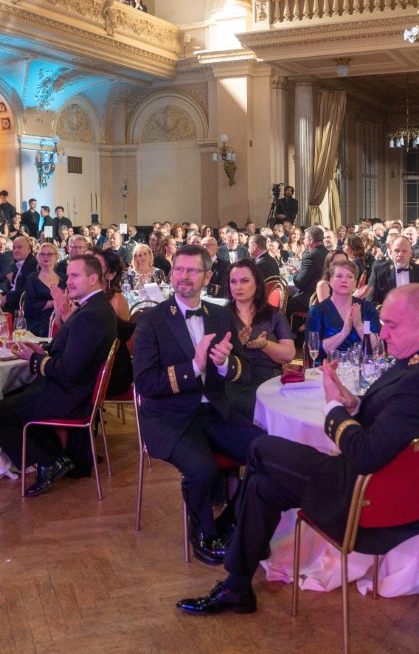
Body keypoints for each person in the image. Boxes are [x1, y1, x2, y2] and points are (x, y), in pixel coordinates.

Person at [176, 284, 419, 616]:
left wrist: (333, 408)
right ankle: (236, 586)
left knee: (260, 448)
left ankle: (235, 535)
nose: (383, 333)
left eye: (391, 325)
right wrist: (355, 403)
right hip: (370, 483)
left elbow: (365, 454)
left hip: (370, 500)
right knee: (261, 485)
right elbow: (396, 420)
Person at [133, 244, 262, 564]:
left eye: (192, 270)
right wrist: (194, 367)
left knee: (265, 451)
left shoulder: (220, 316)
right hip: (168, 418)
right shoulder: (152, 320)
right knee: (203, 469)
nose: (184, 276)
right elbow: (145, 383)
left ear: (206, 276)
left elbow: (246, 371)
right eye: (179, 269)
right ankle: (204, 532)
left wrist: (224, 364)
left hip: (214, 412)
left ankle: (230, 522)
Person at [0, 254, 119, 496]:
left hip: (70, 395)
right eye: (67, 275)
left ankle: (49, 461)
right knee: (10, 395)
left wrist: (34, 360)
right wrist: (43, 350)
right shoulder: (95, 306)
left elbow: (69, 370)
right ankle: (55, 458)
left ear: (93, 278)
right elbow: (75, 351)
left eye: (74, 276)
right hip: (73, 388)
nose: (67, 281)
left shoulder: (91, 315)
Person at [224, 260, 295, 421]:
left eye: (244, 281)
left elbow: (289, 354)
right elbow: (213, 360)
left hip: (269, 379)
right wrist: (237, 345)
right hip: (235, 379)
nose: (238, 287)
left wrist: (264, 345)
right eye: (233, 281)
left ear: (257, 284)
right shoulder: (221, 315)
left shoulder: (273, 314)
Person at [306, 259, 379, 359]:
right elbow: (314, 349)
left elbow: (377, 346)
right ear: (330, 281)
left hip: (362, 366)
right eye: (339, 276)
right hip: (328, 366)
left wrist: (359, 326)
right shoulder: (317, 311)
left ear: (355, 283)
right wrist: (343, 333)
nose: (344, 280)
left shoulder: (367, 308)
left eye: (349, 277)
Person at [370, 236, 419, 304]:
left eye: (404, 251)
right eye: (396, 251)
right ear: (391, 252)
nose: (400, 254)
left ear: (411, 253)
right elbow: (371, 300)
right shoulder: (379, 271)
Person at [288, 226, 327, 316]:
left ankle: (295, 325)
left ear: (310, 240)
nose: (303, 241)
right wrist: (299, 271)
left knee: (284, 304)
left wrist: (295, 273)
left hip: (311, 298)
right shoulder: (327, 253)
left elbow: (299, 283)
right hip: (325, 296)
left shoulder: (311, 257)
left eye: (304, 238)